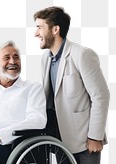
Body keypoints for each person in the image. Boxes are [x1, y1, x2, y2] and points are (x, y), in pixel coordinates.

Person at [33, 6, 110, 164]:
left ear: (55, 29)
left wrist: (95, 136)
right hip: (59, 139)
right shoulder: (45, 58)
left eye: (40, 27)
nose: (36, 33)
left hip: (84, 141)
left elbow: (101, 96)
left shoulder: (81, 55)